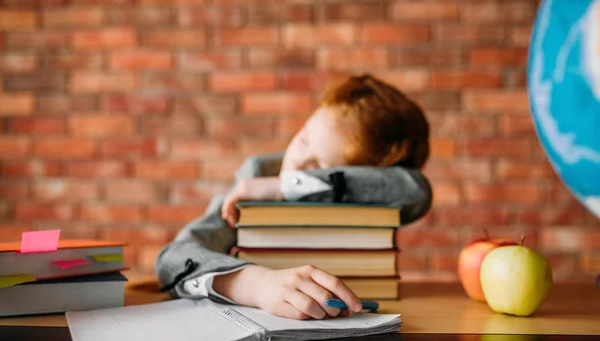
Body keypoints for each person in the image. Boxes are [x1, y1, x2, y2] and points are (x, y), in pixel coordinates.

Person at [155, 74, 433, 320]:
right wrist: (255, 284)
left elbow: (416, 191)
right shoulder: (257, 176)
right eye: (303, 139)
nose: (296, 165)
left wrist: (288, 187)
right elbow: (174, 259)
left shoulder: (273, 184)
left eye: (321, 168)